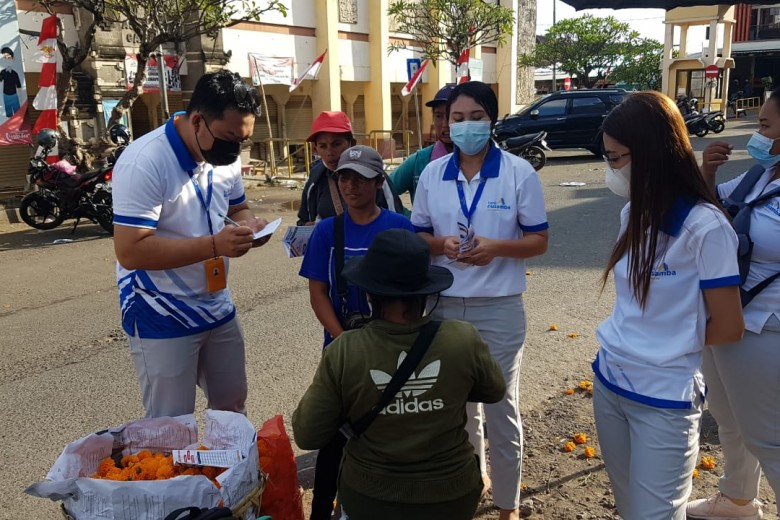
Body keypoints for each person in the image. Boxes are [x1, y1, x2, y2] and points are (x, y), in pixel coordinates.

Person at [592, 91, 745, 520]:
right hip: (610, 383)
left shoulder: (705, 227)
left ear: (651, 154)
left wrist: (668, 344)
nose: (611, 169)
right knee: (628, 508)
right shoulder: (633, 214)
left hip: (664, 399)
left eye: (616, 158)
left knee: (655, 515)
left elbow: (730, 327)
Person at [293, 228, 507, 520]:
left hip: (371, 498)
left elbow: (307, 433)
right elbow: (494, 390)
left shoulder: (345, 350)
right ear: (427, 292)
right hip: (452, 496)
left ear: (369, 293)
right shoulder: (462, 339)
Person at [411, 80, 549, 520]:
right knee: (458, 407)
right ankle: (472, 481)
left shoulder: (517, 172)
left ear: (492, 120)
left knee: (500, 405)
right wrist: (441, 245)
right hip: (445, 306)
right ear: (447, 124)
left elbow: (539, 240)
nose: (466, 126)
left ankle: (508, 506)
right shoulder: (433, 174)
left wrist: (496, 247)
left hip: (500, 308)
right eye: (457, 118)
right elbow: (418, 235)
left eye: (476, 117)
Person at [112, 70, 269, 418]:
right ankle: (177, 476)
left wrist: (249, 227)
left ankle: (230, 474)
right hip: (160, 309)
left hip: (215, 303)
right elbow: (131, 250)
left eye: (243, 140)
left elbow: (237, 207)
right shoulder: (146, 161)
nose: (235, 150)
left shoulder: (222, 159)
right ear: (197, 120)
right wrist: (216, 245)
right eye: (229, 137)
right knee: (171, 424)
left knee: (231, 407)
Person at [298, 145, 415, 520]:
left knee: (388, 431)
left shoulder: (399, 228)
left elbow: (413, 291)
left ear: (379, 183)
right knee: (332, 438)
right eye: (344, 177)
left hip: (390, 349)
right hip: (342, 350)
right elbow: (318, 291)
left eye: (361, 179)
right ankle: (322, 510)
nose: (351, 186)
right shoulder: (327, 232)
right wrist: (341, 337)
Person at [686, 87, 780, 520]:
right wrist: (706, 170)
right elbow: (711, 208)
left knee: (768, 437)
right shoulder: (761, 174)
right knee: (730, 417)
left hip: (767, 323)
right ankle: (738, 500)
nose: (755, 135)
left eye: (764, 126)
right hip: (727, 312)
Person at [296, 111, 403, 225]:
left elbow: (396, 221)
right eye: (323, 146)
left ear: (352, 143)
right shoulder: (315, 177)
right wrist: (310, 229)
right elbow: (303, 220)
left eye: (336, 144)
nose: (329, 152)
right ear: (315, 149)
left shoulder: (372, 173)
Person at [390, 84, 455, 213]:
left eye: (452, 116)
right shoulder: (419, 161)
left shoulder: (476, 161)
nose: (445, 124)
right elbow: (384, 191)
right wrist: (409, 220)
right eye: (438, 116)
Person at [0, 46, 22, 117]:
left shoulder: (15, 73)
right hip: (5, 94)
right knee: (8, 112)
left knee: (17, 112)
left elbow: (19, 86)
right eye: (4, 58)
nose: (6, 60)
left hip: (14, 95)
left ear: (13, 58)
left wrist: (20, 97)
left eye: (8, 58)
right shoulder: (2, 72)